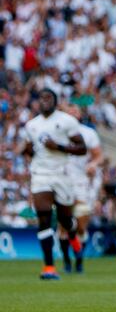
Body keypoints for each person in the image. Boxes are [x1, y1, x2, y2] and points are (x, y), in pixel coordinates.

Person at [18, 89, 87, 279]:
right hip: (40, 173)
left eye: (48, 98)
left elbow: (82, 148)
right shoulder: (31, 125)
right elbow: (30, 149)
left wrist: (59, 147)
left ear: (55, 101)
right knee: (43, 217)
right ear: (37, 102)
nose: (44, 101)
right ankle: (49, 267)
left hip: (62, 174)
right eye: (41, 98)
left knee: (65, 220)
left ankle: (75, 244)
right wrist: (27, 150)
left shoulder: (66, 121)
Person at [59, 104, 103, 273]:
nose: (72, 113)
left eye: (75, 110)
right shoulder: (58, 131)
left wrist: (93, 164)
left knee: (81, 226)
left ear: (79, 115)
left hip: (81, 181)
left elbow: (98, 156)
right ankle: (66, 261)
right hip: (61, 180)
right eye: (69, 111)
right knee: (64, 225)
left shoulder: (88, 133)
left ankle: (79, 258)